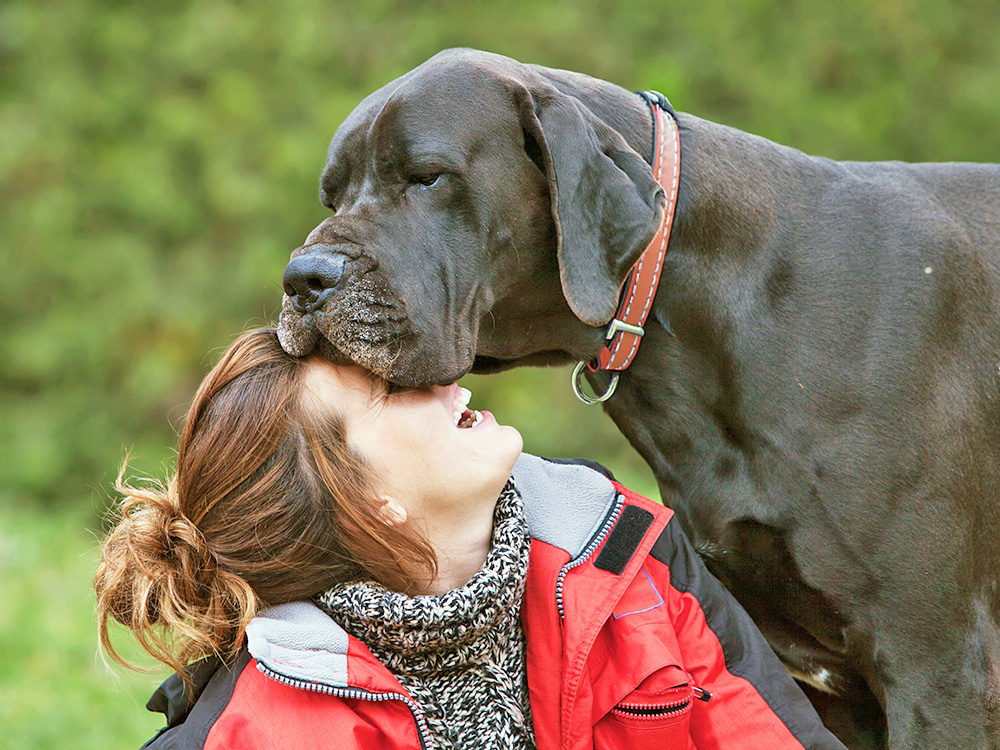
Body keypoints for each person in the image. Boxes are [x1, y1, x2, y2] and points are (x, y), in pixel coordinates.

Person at [95, 328, 846, 750]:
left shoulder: (627, 550)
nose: (448, 375)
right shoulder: (250, 736)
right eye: (395, 389)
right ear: (368, 500)